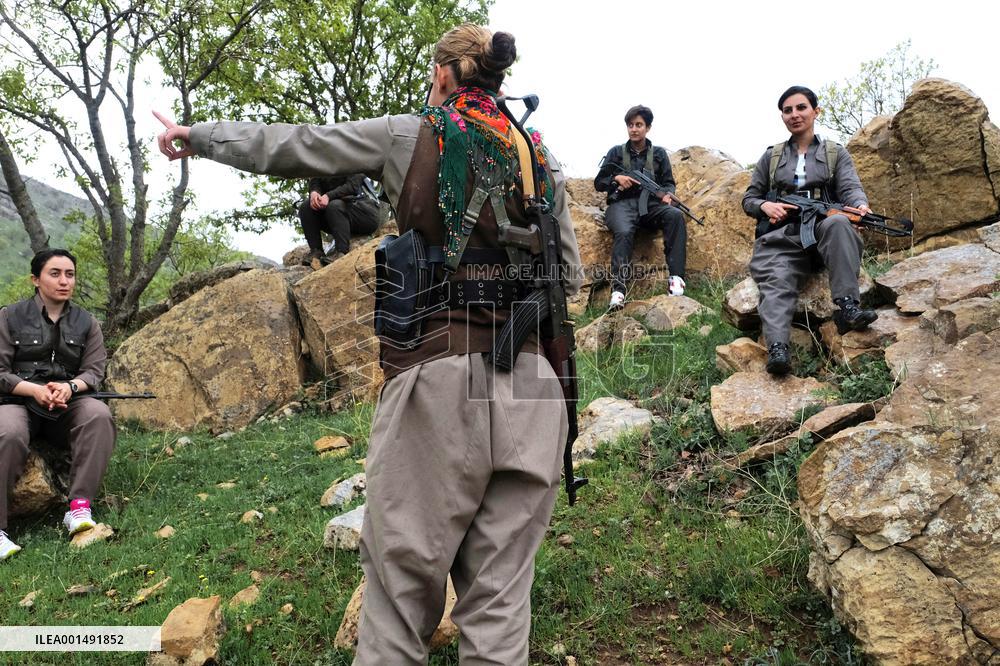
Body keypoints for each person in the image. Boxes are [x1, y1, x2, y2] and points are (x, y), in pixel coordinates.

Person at [156, 22, 582, 665]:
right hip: (535, 394)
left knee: (397, 603)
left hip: (438, 381)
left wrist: (197, 137)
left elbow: (295, 147)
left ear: (443, 75)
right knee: (499, 610)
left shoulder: (410, 134)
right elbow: (569, 275)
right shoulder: (537, 155)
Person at [742, 85, 878, 376]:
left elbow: (851, 189)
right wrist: (765, 206)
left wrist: (860, 207)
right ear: (782, 116)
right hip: (783, 235)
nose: (794, 115)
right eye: (788, 110)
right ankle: (778, 348)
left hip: (823, 229)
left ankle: (847, 308)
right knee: (776, 277)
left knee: (840, 222)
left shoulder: (834, 153)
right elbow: (749, 198)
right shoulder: (772, 157)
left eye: (801, 107)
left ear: (815, 111)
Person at [0, 249, 115, 560]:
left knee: (99, 415)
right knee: (7, 432)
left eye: (70, 274)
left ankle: (78, 509)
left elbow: (94, 370)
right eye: (55, 273)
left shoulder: (87, 322)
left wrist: (69, 387)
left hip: (66, 405)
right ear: (36, 279)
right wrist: (33, 391)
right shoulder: (9, 316)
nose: (64, 281)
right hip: (16, 401)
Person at [594, 104, 687, 310]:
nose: (634, 129)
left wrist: (668, 195)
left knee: (675, 216)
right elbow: (599, 182)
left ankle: (676, 279)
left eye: (639, 125)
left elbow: (669, 182)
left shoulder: (659, 154)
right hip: (622, 206)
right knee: (625, 231)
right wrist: (616, 178)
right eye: (630, 125)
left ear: (648, 127)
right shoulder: (616, 152)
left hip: (651, 205)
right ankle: (618, 292)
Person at [298, 173, 381, 267]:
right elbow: (316, 180)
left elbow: (352, 186)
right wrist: (314, 192)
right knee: (306, 207)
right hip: (337, 214)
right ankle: (316, 251)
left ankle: (341, 251)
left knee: (334, 206)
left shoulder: (355, 159)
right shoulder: (322, 162)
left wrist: (328, 196)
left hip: (365, 213)